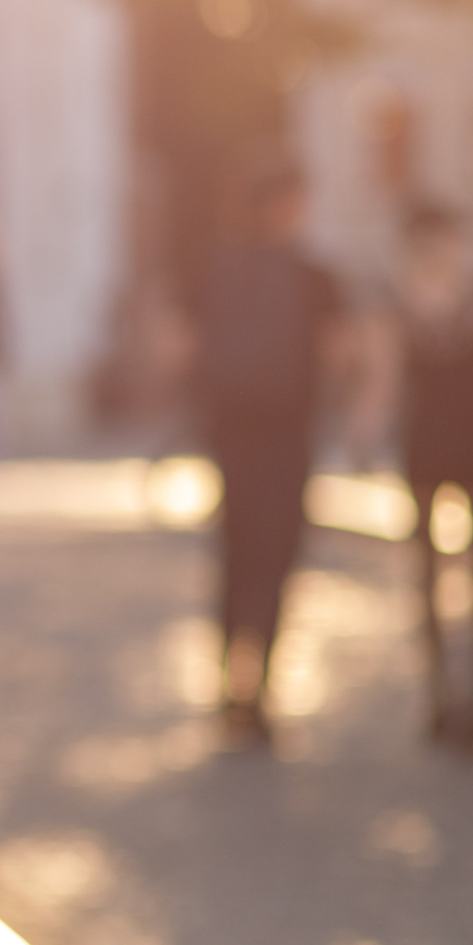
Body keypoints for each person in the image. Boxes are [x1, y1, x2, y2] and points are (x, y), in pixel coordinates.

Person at [193, 160, 352, 747]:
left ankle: (228, 681)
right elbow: (340, 355)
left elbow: (181, 347)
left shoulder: (218, 268)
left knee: (235, 554)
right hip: (289, 435)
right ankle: (259, 689)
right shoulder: (315, 275)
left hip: (231, 434)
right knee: (277, 557)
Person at [367, 204, 473, 753]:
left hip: (471, 444)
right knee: (430, 574)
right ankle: (444, 692)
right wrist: (365, 434)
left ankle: (469, 694)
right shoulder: (415, 304)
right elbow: (384, 381)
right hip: (431, 446)